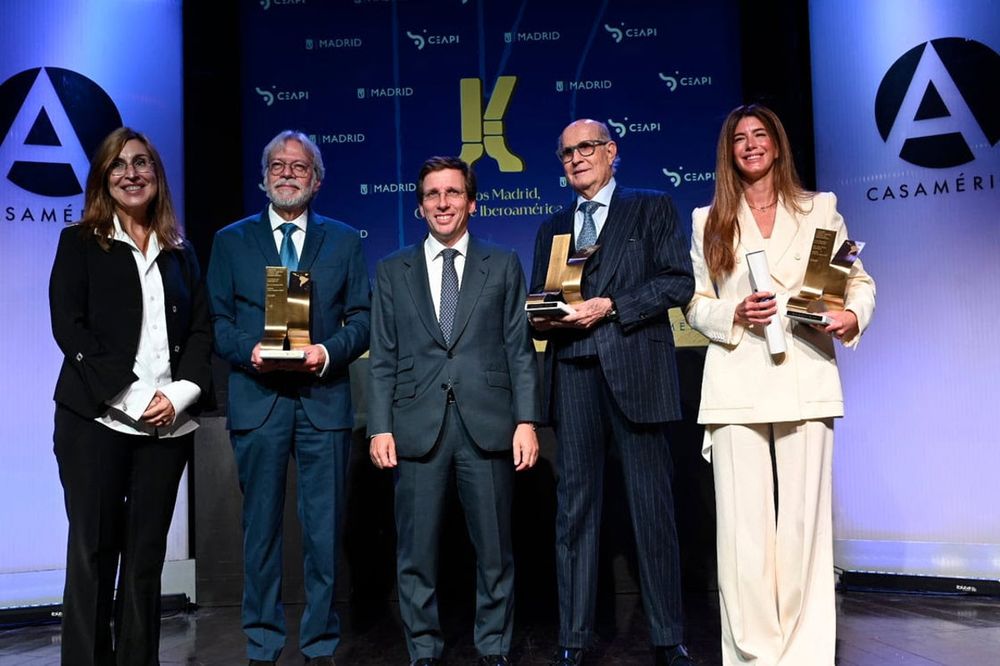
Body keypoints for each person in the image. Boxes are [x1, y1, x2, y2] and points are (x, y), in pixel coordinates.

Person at [684, 104, 876, 665]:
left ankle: (803, 653)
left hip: (804, 372)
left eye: (760, 134)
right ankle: (753, 654)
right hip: (736, 379)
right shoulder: (708, 218)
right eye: (739, 138)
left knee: (803, 525)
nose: (750, 145)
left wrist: (851, 316)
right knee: (742, 531)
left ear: (777, 144)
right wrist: (734, 312)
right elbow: (695, 304)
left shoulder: (821, 209)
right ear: (729, 151)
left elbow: (855, 280)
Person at [528, 120, 695, 666]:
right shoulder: (552, 227)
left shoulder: (651, 206)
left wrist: (612, 306)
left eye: (587, 148)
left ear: (610, 151)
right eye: (567, 152)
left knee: (653, 509)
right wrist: (542, 315)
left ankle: (668, 637)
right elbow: (541, 302)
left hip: (637, 371)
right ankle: (573, 638)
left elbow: (678, 281)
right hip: (573, 373)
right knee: (574, 512)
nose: (577, 158)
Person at [49, 127, 213, 664]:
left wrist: (181, 393)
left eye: (141, 163)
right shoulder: (79, 243)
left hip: (167, 425)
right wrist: (135, 395)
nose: (131, 173)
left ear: (157, 175)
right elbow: (69, 328)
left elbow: (202, 331)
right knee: (94, 555)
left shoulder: (180, 252)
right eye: (118, 165)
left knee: (145, 561)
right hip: (94, 420)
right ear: (103, 178)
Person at [368, 156, 541, 666]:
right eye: (432, 195)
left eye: (453, 193)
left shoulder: (502, 263)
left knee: (495, 551)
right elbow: (382, 357)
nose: (442, 203)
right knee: (415, 553)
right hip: (415, 427)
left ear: (472, 202)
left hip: (488, 425)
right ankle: (423, 648)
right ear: (420, 206)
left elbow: (519, 351)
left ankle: (494, 646)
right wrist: (379, 427)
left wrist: (526, 421)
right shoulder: (391, 269)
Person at [206, 130, 370, 665]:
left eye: (299, 166)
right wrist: (247, 350)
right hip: (259, 400)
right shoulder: (230, 241)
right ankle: (262, 641)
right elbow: (217, 321)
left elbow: (363, 319)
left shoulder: (343, 240)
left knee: (324, 533)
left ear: (316, 180)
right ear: (263, 176)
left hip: (323, 401)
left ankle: (320, 643)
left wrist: (327, 352)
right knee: (260, 532)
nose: (287, 173)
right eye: (277, 165)